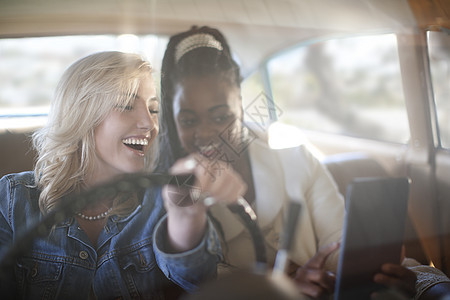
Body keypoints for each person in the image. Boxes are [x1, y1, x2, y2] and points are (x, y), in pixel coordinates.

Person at [157, 25, 450, 299]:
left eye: (221, 116)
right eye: (188, 120)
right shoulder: (177, 196)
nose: (205, 133)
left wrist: (378, 273)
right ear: (173, 119)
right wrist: (282, 289)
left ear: (241, 106)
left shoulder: (300, 161)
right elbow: (202, 282)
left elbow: (338, 246)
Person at [0, 51, 246, 299]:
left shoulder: (159, 199)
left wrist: (186, 211)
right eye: (127, 104)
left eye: (153, 109)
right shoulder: (12, 199)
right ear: (82, 114)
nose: (149, 124)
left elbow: (198, 278)